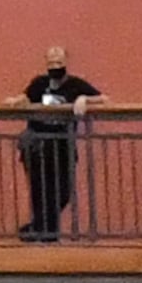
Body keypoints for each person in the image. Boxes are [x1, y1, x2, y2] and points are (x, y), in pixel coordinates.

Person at [18, 46, 100, 241]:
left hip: (63, 147)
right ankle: (46, 233)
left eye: (59, 62)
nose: (55, 66)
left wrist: (84, 99)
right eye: (51, 62)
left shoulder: (75, 85)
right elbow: (25, 96)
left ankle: (38, 228)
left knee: (63, 192)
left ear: (66, 63)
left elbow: (104, 99)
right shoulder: (39, 83)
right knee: (39, 191)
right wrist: (17, 100)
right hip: (38, 147)